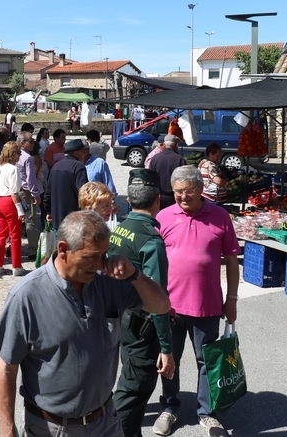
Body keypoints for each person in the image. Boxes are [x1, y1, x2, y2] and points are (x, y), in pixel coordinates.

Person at [0, 210, 171, 437]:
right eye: (91, 256)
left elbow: (162, 306)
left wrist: (135, 275)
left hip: (106, 422)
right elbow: (6, 368)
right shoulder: (26, 295)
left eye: (104, 254)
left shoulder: (109, 281)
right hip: (52, 428)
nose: (100, 263)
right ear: (63, 249)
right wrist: (7, 431)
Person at [154, 165, 240, 437]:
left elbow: (232, 260)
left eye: (187, 192)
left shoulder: (220, 215)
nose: (181, 197)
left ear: (201, 189)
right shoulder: (164, 216)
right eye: (177, 192)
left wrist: (232, 298)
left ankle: (207, 413)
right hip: (169, 306)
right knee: (170, 359)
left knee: (208, 361)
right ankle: (169, 407)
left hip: (208, 304)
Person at [110, 169, 174, 437]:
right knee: (133, 391)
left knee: (130, 386)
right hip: (141, 328)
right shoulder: (151, 240)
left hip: (122, 319)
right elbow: (156, 301)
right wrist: (167, 348)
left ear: (129, 200)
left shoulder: (121, 228)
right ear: (158, 199)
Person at [0, 141, 27, 277]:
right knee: (15, 235)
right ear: (13, 153)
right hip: (9, 202)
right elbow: (14, 192)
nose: (20, 155)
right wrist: (20, 210)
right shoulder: (13, 169)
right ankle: (16, 266)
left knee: (1, 234)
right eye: (19, 152)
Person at [43, 139, 89, 229]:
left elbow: (47, 194)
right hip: (74, 221)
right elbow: (84, 193)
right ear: (76, 153)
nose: (85, 154)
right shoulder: (78, 166)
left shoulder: (56, 166)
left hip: (58, 220)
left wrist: (49, 212)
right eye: (83, 151)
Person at [17, 132, 42, 260]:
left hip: (14, 191)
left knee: (15, 220)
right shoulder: (27, 158)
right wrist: (36, 195)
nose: (33, 144)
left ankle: (12, 248)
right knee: (31, 220)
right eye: (30, 141)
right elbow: (31, 179)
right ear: (23, 143)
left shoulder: (13, 156)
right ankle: (33, 250)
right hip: (26, 192)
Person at [149, 134, 186, 208]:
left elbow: (150, 178)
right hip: (173, 198)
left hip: (157, 197)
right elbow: (183, 180)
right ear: (176, 145)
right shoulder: (179, 159)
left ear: (165, 144)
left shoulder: (155, 158)